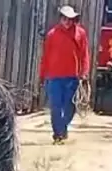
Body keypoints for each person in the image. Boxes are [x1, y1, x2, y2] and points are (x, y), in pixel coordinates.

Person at [38, 5, 90, 145]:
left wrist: (84, 72)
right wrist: (42, 75)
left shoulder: (80, 33)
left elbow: (84, 54)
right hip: (54, 76)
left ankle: (62, 128)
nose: (67, 21)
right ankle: (58, 134)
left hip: (72, 76)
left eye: (70, 19)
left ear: (74, 19)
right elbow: (46, 56)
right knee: (55, 106)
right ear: (60, 18)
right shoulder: (52, 34)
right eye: (64, 18)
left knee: (70, 107)